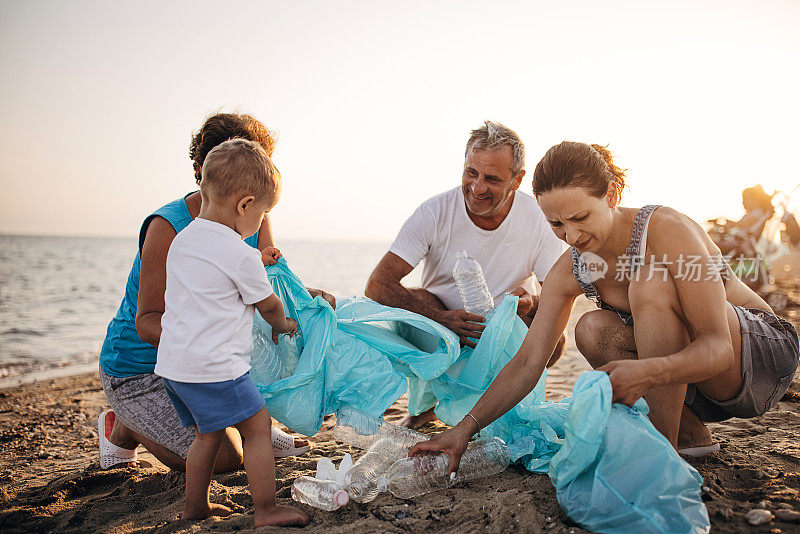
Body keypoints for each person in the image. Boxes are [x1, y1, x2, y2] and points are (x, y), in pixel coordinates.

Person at [410, 141, 799, 472]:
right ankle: (688, 434)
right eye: (557, 224)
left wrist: (644, 373)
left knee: (650, 279)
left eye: (580, 217)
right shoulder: (574, 267)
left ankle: (658, 452)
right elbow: (528, 363)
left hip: (758, 356)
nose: (573, 236)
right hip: (698, 380)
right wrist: (463, 429)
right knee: (591, 329)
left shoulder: (666, 229)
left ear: (611, 195)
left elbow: (718, 348)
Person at [98, 113, 334, 471]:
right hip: (144, 368)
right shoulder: (169, 227)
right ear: (204, 168)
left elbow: (267, 286)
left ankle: (246, 421)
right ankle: (125, 424)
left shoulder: (254, 212)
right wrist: (208, 337)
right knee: (223, 460)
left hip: (212, 361)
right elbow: (147, 324)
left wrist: (307, 297)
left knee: (282, 336)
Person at [365, 121, 566, 428]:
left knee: (557, 336)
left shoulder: (537, 217)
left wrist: (532, 302)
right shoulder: (435, 211)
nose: (477, 187)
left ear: (517, 180)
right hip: (444, 327)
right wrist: (441, 317)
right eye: (471, 172)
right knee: (415, 301)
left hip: (502, 328)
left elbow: (557, 292)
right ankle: (428, 407)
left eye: (492, 179)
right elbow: (377, 284)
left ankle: (501, 403)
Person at [153, 139, 307, 526]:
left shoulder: (183, 239)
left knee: (206, 436)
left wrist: (254, 260)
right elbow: (268, 304)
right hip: (215, 369)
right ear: (244, 205)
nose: (261, 222)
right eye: (263, 212)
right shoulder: (239, 253)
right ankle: (267, 509)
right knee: (258, 429)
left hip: (174, 367)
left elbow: (211, 279)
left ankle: (195, 507)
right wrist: (284, 325)